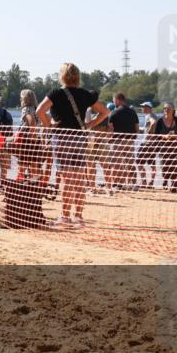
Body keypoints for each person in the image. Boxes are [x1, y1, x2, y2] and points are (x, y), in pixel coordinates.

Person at [36, 62, 111, 228]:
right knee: (78, 178)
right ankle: (79, 216)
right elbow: (105, 111)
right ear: (78, 77)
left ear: (62, 76)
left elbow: (40, 111)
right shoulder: (85, 94)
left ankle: (65, 216)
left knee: (66, 178)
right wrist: (89, 125)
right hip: (79, 137)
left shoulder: (56, 93)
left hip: (62, 138)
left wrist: (49, 127)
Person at [107, 93, 140, 190]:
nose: (113, 102)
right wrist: (134, 137)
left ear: (118, 100)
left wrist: (109, 139)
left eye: (114, 100)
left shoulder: (114, 113)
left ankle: (118, 184)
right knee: (130, 163)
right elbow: (137, 127)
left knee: (116, 164)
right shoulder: (133, 112)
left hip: (117, 141)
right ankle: (134, 184)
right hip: (130, 140)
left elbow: (110, 129)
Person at [153, 102, 177, 192]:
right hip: (164, 147)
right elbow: (156, 135)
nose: (166, 110)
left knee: (176, 166)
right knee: (165, 166)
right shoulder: (160, 121)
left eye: (168, 109)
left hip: (176, 148)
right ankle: (165, 180)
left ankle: (174, 185)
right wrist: (164, 136)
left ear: (173, 111)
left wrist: (174, 136)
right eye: (164, 108)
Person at [136, 102, 160, 188]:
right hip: (154, 144)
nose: (142, 108)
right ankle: (151, 183)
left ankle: (144, 182)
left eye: (143, 107)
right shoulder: (154, 115)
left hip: (147, 143)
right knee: (152, 163)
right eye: (142, 107)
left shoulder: (150, 116)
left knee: (139, 162)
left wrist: (149, 132)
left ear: (149, 108)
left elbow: (153, 123)